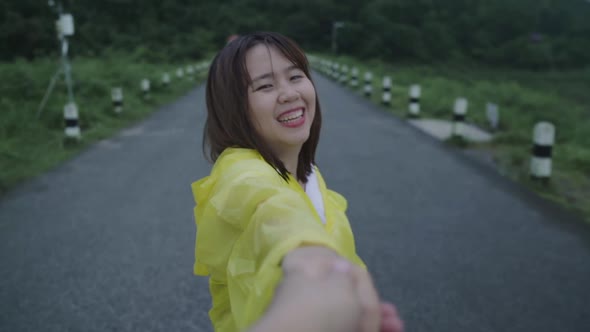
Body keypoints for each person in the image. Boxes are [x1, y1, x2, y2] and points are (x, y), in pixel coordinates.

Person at [191, 31, 403, 332]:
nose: (289, 93)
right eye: (265, 86)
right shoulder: (241, 176)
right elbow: (277, 216)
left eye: (295, 77)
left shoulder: (307, 174)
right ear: (234, 107)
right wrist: (320, 270)